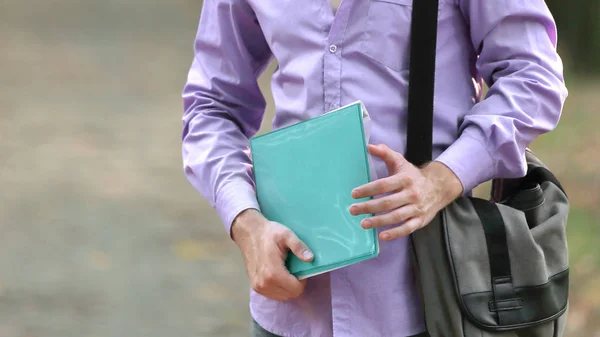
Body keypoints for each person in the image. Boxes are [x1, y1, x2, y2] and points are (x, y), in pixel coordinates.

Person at [181, 0, 568, 336]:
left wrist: (443, 178)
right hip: (292, 307)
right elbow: (212, 104)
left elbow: (533, 74)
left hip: (430, 301)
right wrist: (245, 221)